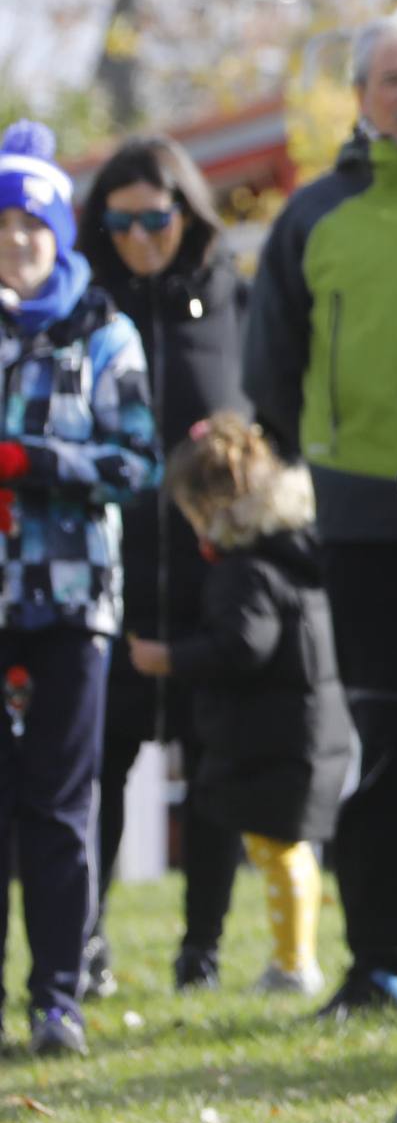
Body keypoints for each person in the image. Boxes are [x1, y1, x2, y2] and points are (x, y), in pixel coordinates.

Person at [245, 8, 397, 1015]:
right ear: (361, 96)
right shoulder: (310, 216)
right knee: (383, 742)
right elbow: (270, 376)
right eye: (391, 79)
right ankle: (387, 962)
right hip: (356, 516)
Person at [74, 135, 248, 996]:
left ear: (188, 212)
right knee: (99, 769)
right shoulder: (81, 305)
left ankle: (202, 950)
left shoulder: (228, 296)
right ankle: (85, 944)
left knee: (211, 769)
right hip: (109, 581)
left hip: (213, 578)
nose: (142, 236)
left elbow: (264, 426)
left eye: (158, 217)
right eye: (122, 221)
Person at [0, 118, 158, 1057]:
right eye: (2, 226)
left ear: (58, 234)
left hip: (70, 603)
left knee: (59, 806)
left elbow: (133, 462)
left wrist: (31, 459)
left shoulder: (104, 329)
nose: (16, 244)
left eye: (32, 227)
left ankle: (57, 996)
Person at [128, 415, 352, 996]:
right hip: (297, 732)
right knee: (282, 850)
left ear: (213, 505)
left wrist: (171, 658)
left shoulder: (243, 572)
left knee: (280, 852)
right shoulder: (292, 552)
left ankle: (293, 963)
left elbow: (243, 646)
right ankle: (291, 958)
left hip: (276, 739)